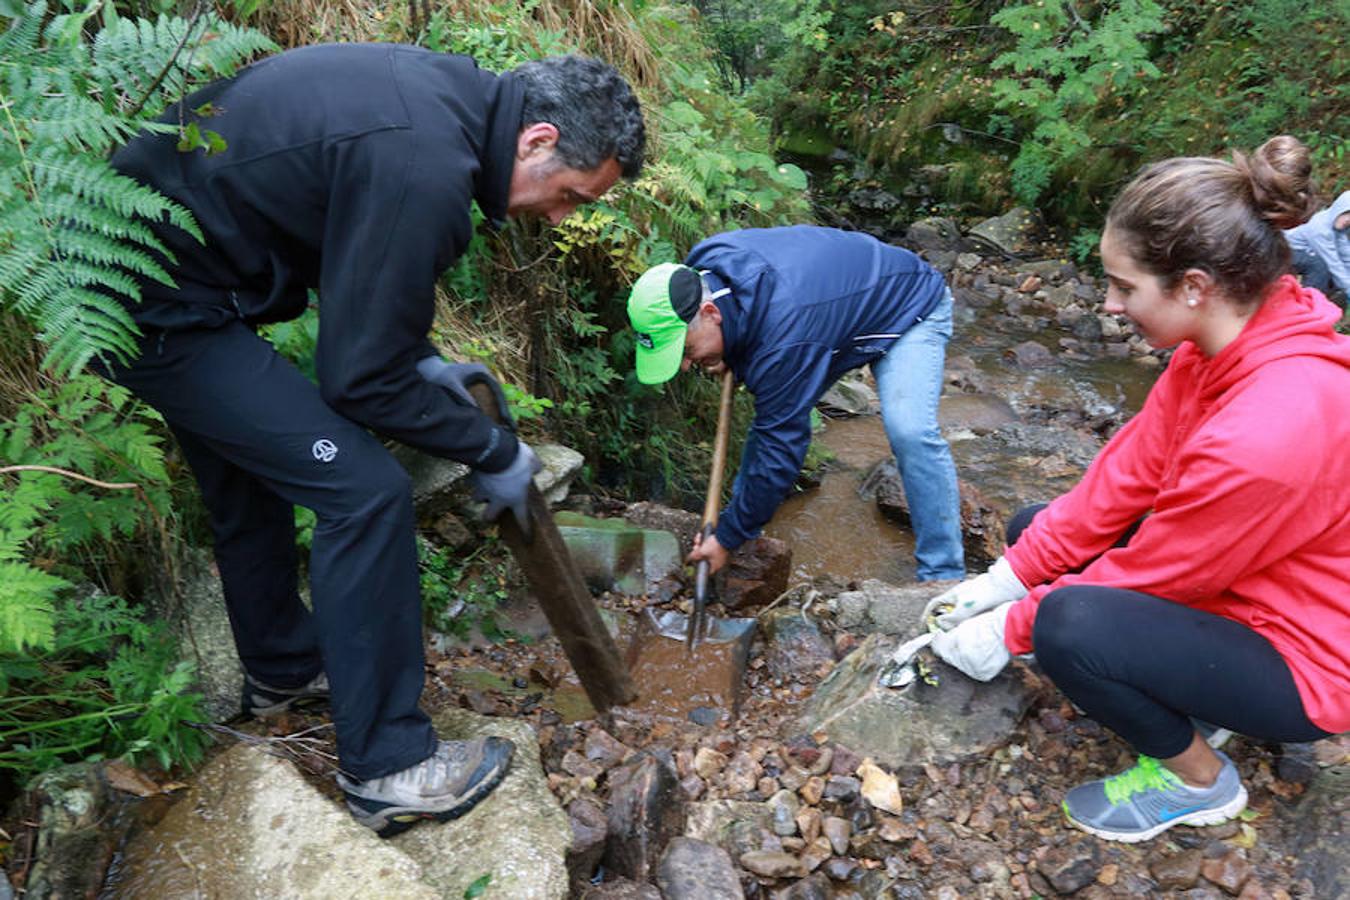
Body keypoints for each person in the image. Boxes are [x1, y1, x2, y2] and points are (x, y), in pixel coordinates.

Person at [98, 44, 645, 836]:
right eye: (569, 195)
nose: (559, 219)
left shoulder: (441, 103)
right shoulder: (426, 160)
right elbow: (356, 381)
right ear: (537, 141)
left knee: (252, 470)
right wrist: (491, 450)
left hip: (154, 258)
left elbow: (348, 231)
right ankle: (390, 767)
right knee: (364, 493)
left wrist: (419, 357)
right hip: (150, 297)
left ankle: (282, 672)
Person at [921, 135, 1350, 843]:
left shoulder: (1269, 428)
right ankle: (1198, 689)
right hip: (1257, 586)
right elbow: (1124, 480)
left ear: (1194, 287)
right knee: (1037, 530)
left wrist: (1012, 624)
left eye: (1124, 287)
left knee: (1069, 627)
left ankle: (1199, 780)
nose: (1111, 306)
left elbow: (1161, 574)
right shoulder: (1224, 344)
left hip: (1311, 656)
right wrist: (1004, 579)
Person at [626, 225, 965, 581]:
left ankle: (943, 574)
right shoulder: (703, 265)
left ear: (711, 313)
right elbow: (751, 324)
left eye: (686, 350)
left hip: (908, 306)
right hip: (835, 315)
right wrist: (729, 349)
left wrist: (725, 538)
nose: (683, 365)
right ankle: (745, 530)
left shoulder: (784, 338)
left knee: (909, 431)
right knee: (773, 414)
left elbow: (780, 451)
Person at [1284, 189, 1350, 301]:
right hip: (1283, 250)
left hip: (1305, 252)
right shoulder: (1320, 227)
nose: (1348, 219)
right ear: (1338, 208)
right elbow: (1333, 263)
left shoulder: (1338, 229)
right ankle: (1307, 303)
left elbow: (1346, 256)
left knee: (1333, 270)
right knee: (1320, 266)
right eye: (1346, 213)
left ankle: (1328, 297)